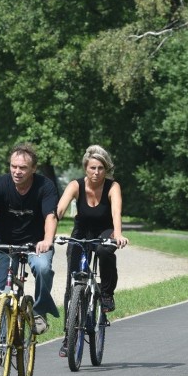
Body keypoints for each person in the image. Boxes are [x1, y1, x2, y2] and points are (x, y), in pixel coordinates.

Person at [0, 143, 60, 366]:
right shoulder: (0, 185)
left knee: (43, 268)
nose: (17, 171)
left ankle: (38, 311)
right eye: (13, 166)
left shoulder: (45, 187)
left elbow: (51, 216)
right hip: (5, 245)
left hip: (36, 244)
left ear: (33, 169)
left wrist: (47, 241)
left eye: (23, 167)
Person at [55, 144, 129, 357]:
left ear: (106, 169)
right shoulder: (75, 185)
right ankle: (68, 337)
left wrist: (118, 233)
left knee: (105, 251)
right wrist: (49, 230)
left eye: (101, 168)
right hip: (82, 232)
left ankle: (106, 294)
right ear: (85, 168)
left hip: (105, 230)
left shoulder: (112, 187)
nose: (96, 172)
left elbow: (116, 212)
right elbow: (59, 209)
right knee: (73, 285)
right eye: (92, 168)